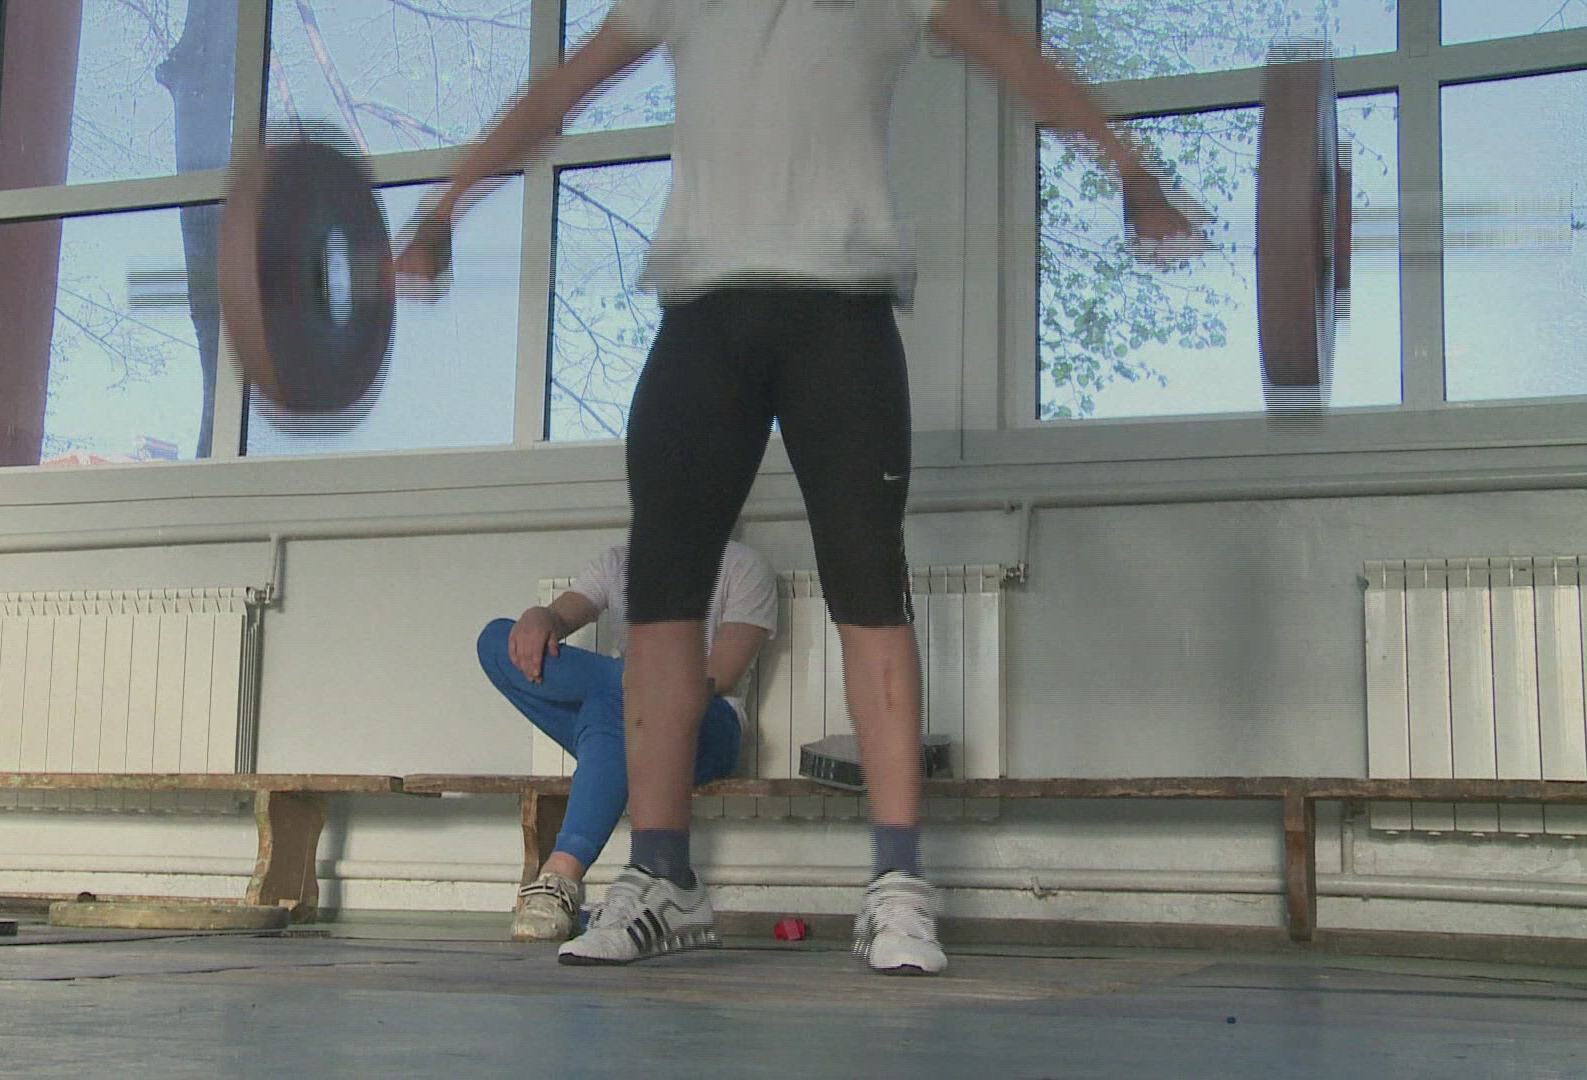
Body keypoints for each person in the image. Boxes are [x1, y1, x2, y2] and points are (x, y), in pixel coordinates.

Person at [400, 1, 1204, 974]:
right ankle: (662, 880)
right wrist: (443, 208)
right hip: (701, 319)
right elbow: (559, 94)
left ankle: (897, 888)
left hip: (842, 313)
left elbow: (1018, 60)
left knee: (870, 589)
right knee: (660, 606)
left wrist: (1130, 169)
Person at [476, 540, 776, 942]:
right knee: (498, 640)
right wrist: (540, 617)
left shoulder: (742, 565)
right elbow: (561, 615)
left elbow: (722, 673)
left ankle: (561, 876)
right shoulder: (619, 562)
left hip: (709, 725)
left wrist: (643, 688)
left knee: (622, 694)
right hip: (626, 719)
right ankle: (559, 879)